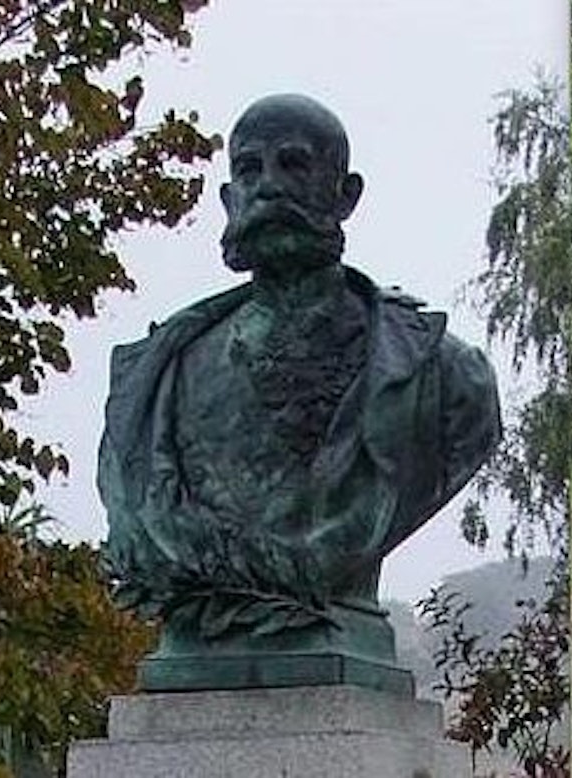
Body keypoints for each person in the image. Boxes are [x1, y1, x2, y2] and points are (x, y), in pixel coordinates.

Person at [98, 94, 501, 691]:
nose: (269, 187)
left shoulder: (447, 377)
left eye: (293, 164)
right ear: (229, 199)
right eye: (250, 169)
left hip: (341, 658)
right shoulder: (156, 376)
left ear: (346, 195)